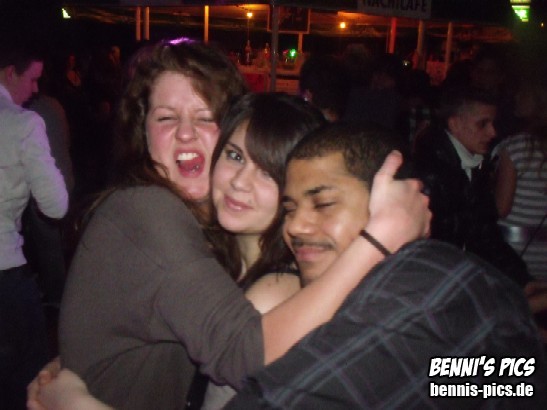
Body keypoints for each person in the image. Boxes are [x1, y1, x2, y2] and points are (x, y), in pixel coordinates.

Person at [53, 38, 430, 410]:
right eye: (166, 118)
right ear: (143, 131)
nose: (185, 133)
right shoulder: (148, 212)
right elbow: (238, 349)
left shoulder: (264, 279)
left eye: (205, 118)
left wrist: (74, 401)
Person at [225, 122, 547, 409]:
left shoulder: (423, 294)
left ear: (392, 202)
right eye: (290, 209)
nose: (295, 226)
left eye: (323, 204)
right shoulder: (322, 295)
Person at [0, 39, 68, 409]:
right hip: (5, 268)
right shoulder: (24, 124)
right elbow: (56, 205)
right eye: (32, 79)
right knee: (27, 379)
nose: (35, 89)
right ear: (10, 73)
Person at [413, 86, 531, 286]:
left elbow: (484, 232)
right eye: (482, 124)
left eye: (493, 123)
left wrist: (521, 278)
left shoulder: (473, 165)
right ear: (455, 124)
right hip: (436, 283)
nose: (493, 132)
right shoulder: (430, 171)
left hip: (455, 277)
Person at [494, 70, 547, 281]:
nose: (516, 97)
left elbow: (501, 208)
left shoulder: (517, 146)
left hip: (515, 251)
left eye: (523, 93)